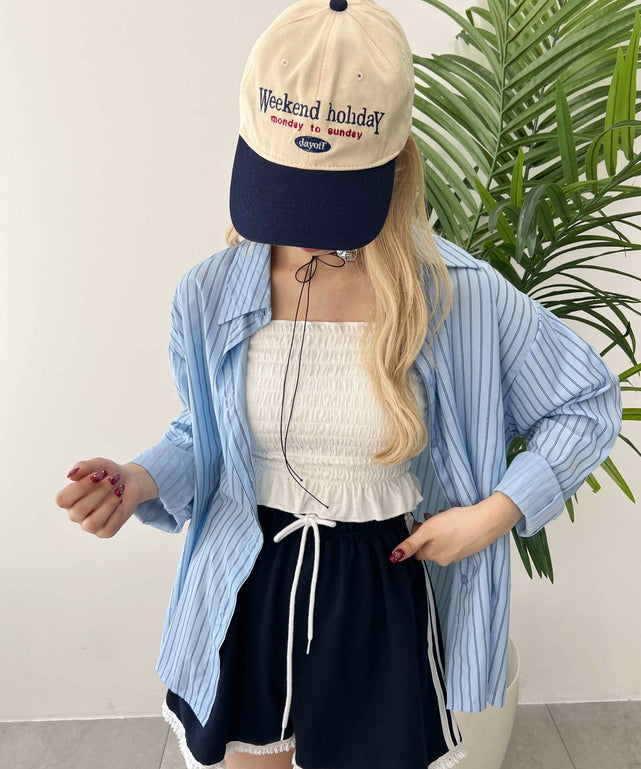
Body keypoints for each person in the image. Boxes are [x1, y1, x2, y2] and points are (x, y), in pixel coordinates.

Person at [55, 1, 623, 768]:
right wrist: (137, 480)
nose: (300, 226)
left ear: (396, 163)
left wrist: (493, 515)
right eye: (284, 186)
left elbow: (584, 400)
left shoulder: (457, 297)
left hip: (378, 590)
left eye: (328, 196)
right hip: (245, 578)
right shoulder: (210, 293)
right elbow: (205, 434)